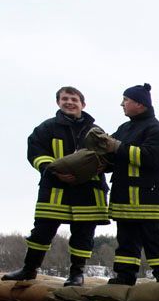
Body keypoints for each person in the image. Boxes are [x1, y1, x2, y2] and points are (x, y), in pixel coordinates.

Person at [3, 86, 109, 286]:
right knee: (41, 232)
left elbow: (110, 158)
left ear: (82, 104)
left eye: (74, 99)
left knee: (83, 235)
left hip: (88, 191)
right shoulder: (46, 128)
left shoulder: (96, 131)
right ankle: (29, 269)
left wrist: (101, 166)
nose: (69, 102)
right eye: (64, 99)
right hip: (55, 190)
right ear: (58, 103)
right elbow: (35, 153)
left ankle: (76, 274)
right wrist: (54, 170)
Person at [105, 84, 159, 285]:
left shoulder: (157, 130)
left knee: (153, 236)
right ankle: (125, 274)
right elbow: (112, 157)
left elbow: (151, 157)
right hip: (124, 195)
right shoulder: (124, 128)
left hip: (148, 196)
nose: (122, 104)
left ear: (139, 104)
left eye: (125, 100)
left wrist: (117, 147)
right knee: (126, 239)